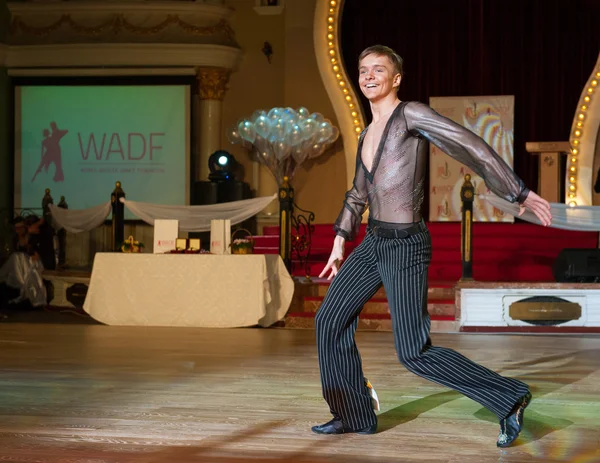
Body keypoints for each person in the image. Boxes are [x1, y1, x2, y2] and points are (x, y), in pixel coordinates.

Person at [311, 45, 552, 448]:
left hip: (406, 245)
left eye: (378, 70)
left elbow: (467, 144)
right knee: (328, 321)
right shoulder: (367, 133)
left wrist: (517, 191)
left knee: (414, 352)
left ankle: (509, 397)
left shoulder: (411, 114)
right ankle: (352, 413)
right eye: (363, 70)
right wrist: (339, 239)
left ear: (396, 78)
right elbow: (359, 192)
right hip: (373, 242)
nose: (369, 76)